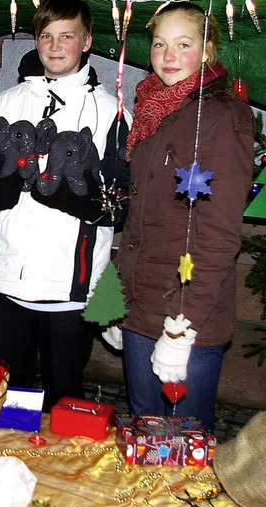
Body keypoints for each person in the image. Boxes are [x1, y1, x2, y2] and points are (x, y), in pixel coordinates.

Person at [0, 0, 130, 412]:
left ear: (87, 41)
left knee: (64, 407)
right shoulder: (6, 101)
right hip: (6, 282)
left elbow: (119, 204)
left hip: (69, 289)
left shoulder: (110, 111)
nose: (55, 46)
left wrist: (68, 196)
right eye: (46, 36)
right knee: (6, 406)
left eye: (67, 35)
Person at [113, 3, 253, 430]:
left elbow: (218, 234)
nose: (168, 55)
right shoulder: (156, 109)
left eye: (183, 44)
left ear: (208, 49)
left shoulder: (221, 116)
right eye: (159, 44)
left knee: (182, 448)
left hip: (185, 316)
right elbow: (141, 217)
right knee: (145, 429)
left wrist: (182, 328)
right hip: (142, 306)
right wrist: (120, 301)